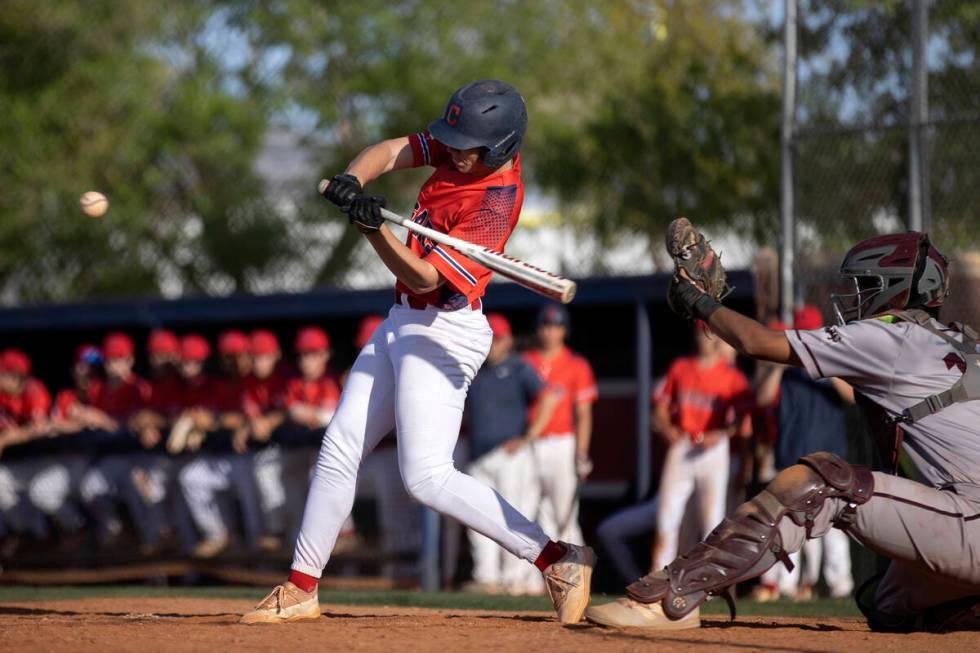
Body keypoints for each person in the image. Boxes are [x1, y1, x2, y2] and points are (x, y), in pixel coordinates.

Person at [242, 79, 594, 625]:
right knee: (339, 445)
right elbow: (390, 151)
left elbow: (429, 279)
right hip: (402, 319)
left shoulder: (496, 204)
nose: (452, 149)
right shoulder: (462, 146)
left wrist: (373, 231)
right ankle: (301, 585)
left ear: (499, 147)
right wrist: (352, 180)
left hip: (445, 327)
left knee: (426, 475)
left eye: (466, 144)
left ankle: (555, 558)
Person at [586, 230, 980, 633]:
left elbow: (757, 342)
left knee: (824, 483)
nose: (858, 295)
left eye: (868, 284)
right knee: (892, 604)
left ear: (898, 288)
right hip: (965, 521)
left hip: (972, 520)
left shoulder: (893, 336)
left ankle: (673, 599)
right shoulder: (966, 343)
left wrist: (699, 302)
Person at [753, 305, 855, 602]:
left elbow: (851, 397)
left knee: (834, 523)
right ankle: (787, 583)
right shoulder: (784, 372)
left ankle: (840, 585)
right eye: (801, 334)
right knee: (791, 522)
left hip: (829, 458)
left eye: (810, 334)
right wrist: (784, 360)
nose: (806, 339)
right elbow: (761, 398)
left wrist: (825, 363)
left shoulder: (830, 366)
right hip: (792, 458)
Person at [463, 313, 558, 594]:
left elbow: (549, 398)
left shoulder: (519, 367)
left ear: (509, 341)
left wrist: (529, 436)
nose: (493, 345)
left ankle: (514, 580)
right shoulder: (474, 368)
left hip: (510, 454)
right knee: (477, 517)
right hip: (478, 456)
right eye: (489, 338)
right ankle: (486, 577)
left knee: (513, 514)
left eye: (499, 339)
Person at [648, 324, 752, 573]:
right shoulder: (681, 368)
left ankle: (709, 576)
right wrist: (665, 428)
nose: (707, 340)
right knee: (667, 515)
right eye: (702, 335)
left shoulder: (731, 376)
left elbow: (743, 418)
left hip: (713, 448)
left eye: (712, 335)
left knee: (712, 518)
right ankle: (658, 574)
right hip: (684, 443)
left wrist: (722, 433)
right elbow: (660, 406)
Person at [522, 304, 598, 549]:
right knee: (531, 512)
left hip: (562, 442)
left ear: (564, 330)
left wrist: (582, 452)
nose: (549, 332)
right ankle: (538, 579)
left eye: (555, 327)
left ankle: (576, 574)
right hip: (529, 443)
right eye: (545, 326)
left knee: (564, 514)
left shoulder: (576, 364)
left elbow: (584, 414)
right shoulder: (525, 362)